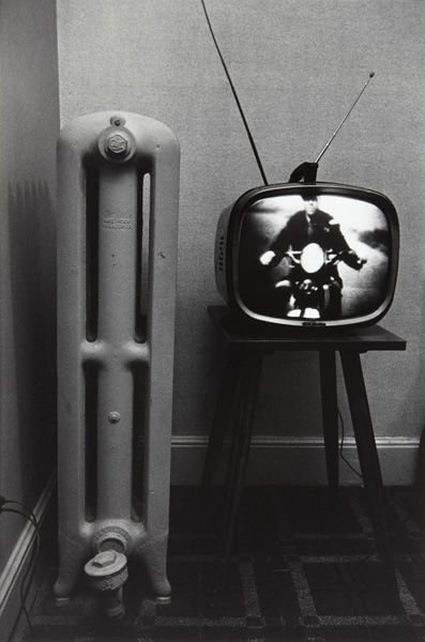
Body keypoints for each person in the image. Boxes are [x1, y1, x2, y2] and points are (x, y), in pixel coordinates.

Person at [259, 194, 365, 318]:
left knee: (334, 289)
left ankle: (335, 324)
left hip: (325, 270)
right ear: (303, 201)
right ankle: (276, 324)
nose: (310, 203)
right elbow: (282, 241)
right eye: (307, 199)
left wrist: (354, 259)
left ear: (318, 200)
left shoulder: (328, 220)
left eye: (313, 199)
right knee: (281, 288)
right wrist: (272, 253)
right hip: (299, 269)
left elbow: (341, 245)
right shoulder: (295, 220)